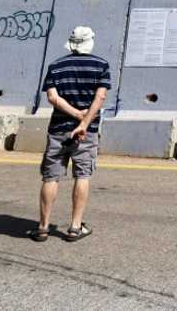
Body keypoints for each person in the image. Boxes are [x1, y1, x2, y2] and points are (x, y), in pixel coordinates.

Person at [29, 26, 110, 243]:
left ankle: (43, 227)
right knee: (82, 175)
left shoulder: (56, 66)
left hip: (58, 129)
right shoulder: (101, 65)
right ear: (91, 42)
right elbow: (100, 98)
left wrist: (74, 114)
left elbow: (53, 98)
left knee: (50, 177)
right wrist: (83, 122)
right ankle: (75, 227)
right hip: (87, 131)